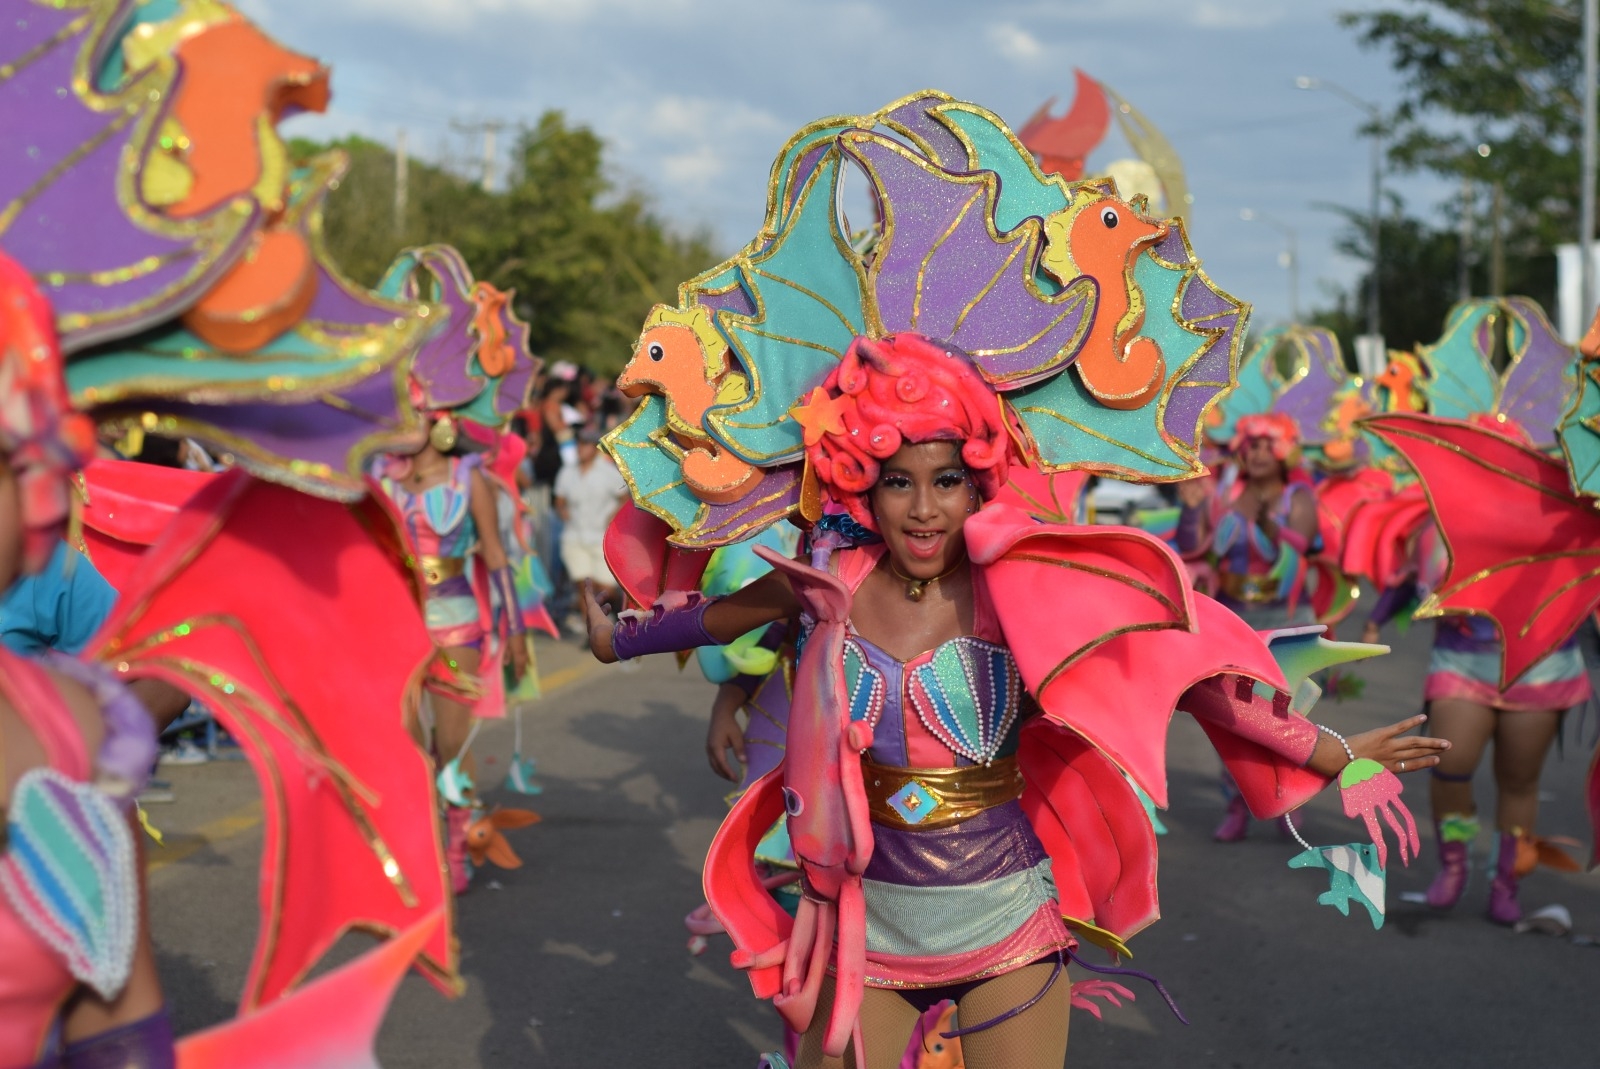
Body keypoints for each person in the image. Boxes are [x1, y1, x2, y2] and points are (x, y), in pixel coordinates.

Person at [582, 334, 1445, 1069]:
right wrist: (614, 637)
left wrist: (1333, 752)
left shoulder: (1022, 591)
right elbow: (708, 620)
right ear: (863, 484)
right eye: (899, 482)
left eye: (948, 481)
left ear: (980, 482)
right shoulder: (826, 581)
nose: (924, 509)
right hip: (865, 920)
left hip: (1005, 918)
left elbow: (1190, 682)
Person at [1361, 415, 1591, 925]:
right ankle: (1454, 866)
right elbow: (1411, 585)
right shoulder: (1436, 520)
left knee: (1518, 782)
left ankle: (1505, 882)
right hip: (1462, 661)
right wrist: (1375, 622)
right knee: (1450, 765)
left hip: (1541, 662)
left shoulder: (1561, 517)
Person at [380, 415, 529, 892]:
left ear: (439, 423)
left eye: (416, 417)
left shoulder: (470, 479)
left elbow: (495, 553)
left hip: (456, 625)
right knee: (404, 746)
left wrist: (518, 629)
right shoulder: (383, 479)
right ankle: (416, 845)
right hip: (397, 623)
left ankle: (457, 846)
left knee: (450, 745)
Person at [1179, 412, 1324, 842]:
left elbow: (1302, 547)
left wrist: (1263, 521)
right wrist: (1190, 512)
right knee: (1232, 717)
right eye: (1252, 443)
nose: (1258, 452)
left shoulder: (1297, 496)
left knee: (1289, 716)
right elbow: (1194, 548)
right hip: (1233, 620)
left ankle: (1290, 801)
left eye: (1267, 444)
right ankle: (1236, 803)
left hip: (1285, 620)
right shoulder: (1222, 493)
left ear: (1284, 451)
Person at [554, 426, 628, 612]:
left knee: (606, 588)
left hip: (601, 537)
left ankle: (614, 615)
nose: (580, 447)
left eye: (585, 443)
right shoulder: (567, 472)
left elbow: (624, 498)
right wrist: (562, 510)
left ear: (595, 448)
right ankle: (592, 634)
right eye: (579, 443)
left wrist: (613, 517)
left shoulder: (609, 473)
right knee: (584, 587)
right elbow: (560, 499)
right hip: (575, 535)